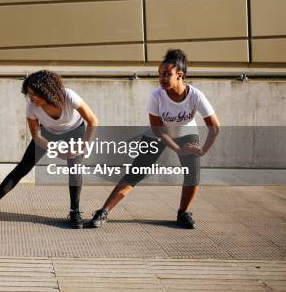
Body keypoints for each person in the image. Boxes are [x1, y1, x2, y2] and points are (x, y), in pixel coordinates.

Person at [88, 49, 220, 229]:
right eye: (160, 75)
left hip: (186, 132)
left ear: (179, 75)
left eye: (167, 74)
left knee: (193, 176)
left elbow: (214, 127)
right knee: (135, 173)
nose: (162, 79)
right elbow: (159, 131)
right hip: (157, 133)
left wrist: (202, 150)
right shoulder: (156, 96)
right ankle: (103, 211)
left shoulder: (195, 95)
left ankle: (183, 213)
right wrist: (178, 149)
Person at [0, 70, 98, 229]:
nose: (31, 97)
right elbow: (36, 135)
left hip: (75, 131)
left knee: (75, 170)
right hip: (48, 132)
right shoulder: (31, 107)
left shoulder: (69, 96)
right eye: (28, 93)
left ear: (47, 90)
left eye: (35, 93)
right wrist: (55, 150)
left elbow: (93, 120)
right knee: (22, 168)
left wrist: (83, 146)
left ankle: (74, 211)